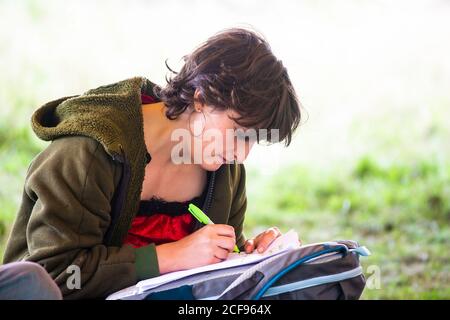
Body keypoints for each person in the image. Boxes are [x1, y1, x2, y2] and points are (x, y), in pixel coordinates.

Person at [2, 27, 301, 299]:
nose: (241, 154)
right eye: (238, 133)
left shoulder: (225, 172)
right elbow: (60, 276)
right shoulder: (90, 151)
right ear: (201, 98)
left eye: (253, 140)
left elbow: (213, 277)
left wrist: (251, 255)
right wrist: (169, 257)